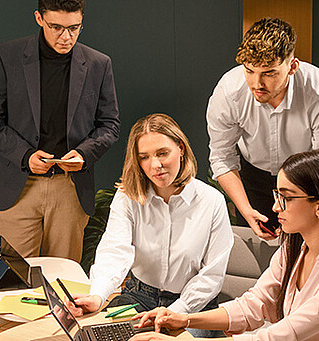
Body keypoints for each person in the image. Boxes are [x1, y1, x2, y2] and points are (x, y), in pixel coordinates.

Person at [131, 149, 319, 341]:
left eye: (286, 198)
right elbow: (253, 304)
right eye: (276, 195)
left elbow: (283, 336)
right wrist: (184, 319)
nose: (275, 207)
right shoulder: (293, 250)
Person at [0, 0, 119, 261]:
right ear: (39, 18)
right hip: (18, 185)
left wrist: (84, 154)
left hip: (70, 187)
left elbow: (109, 124)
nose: (66, 37)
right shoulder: (7, 56)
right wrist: (24, 155)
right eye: (56, 27)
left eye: (74, 28)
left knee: (66, 282)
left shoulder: (99, 63)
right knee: (11, 282)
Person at [68, 113, 233, 338]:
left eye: (162, 153)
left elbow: (211, 276)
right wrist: (97, 295)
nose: (155, 165)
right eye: (144, 157)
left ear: (181, 148)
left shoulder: (211, 201)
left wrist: (175, 312)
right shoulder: (128, 196)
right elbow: (115, 250)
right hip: (138, 297)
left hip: (192, 307)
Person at [207, 17, 319, 241]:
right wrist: (245, 209)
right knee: (260, 251)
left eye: (269, 73)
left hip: (307, 180)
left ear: (292, 66)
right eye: (249, 70)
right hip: (252, 176)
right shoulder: (229, 91)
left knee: (306, 250)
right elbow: (222, 157)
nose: (256, 84)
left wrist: (295, 206)